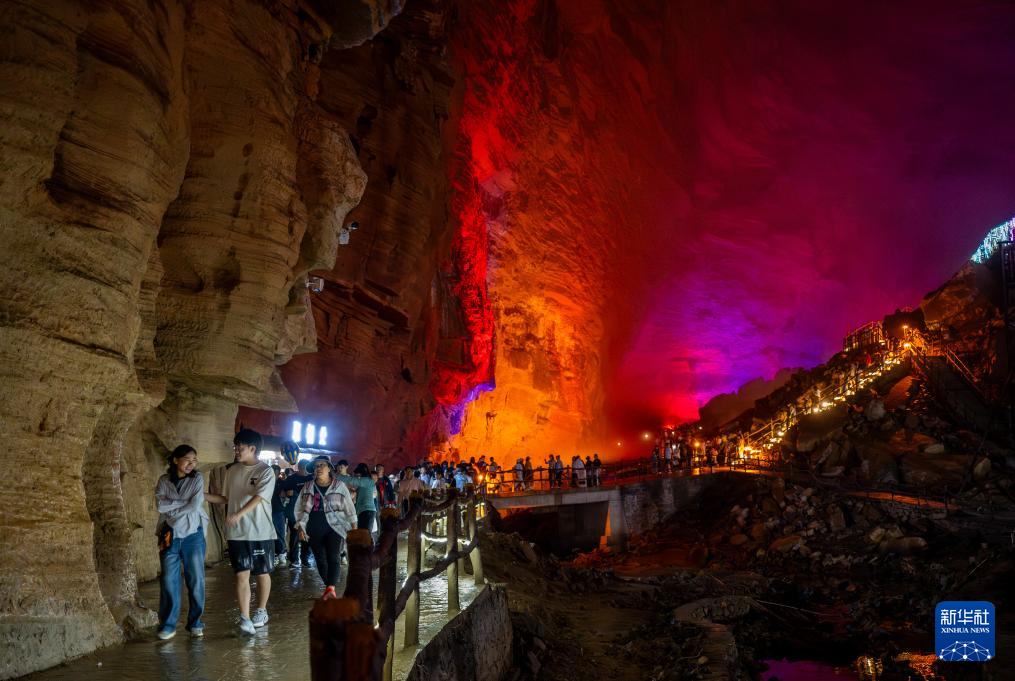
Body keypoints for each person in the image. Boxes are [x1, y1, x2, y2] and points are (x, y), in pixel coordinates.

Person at [154, 445, 224, 640]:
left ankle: (195, 623)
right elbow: (160, 506)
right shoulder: (164, 480)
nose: (192, 464)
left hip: (193, 535)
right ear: (175, 460)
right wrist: (182, 504)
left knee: (196, 580)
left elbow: (194, 505)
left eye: (194, 460)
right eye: (187, 459)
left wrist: (173, 507)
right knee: (168, 580)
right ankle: (168, 625)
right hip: (170, 535)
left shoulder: (197, 478)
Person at [220, 428, 277, 636]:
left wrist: (238, 514)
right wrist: (202, 496)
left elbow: (259, 497)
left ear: (252, 449)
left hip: (260, 531)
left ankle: (261, 610)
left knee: (262, 572)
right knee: (241, 574)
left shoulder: (265, 471)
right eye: (236, 446)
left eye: (240, 447)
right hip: (237, 533)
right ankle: (244, 618)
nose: (236, 450)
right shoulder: (232, 471)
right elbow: (226, 498)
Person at [295, 456, 357, 599]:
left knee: (333, 556)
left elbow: (349, 507)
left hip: (335, 528)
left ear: (329, 468)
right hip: (313, 528)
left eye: (322, 465)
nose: (319, 468)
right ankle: (329, 588)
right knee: (320, 559)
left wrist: (354, 527)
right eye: (316, 466)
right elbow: (299, 508)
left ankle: (331, 588)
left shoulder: (339, 485)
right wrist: (300, 527)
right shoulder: (308, 487)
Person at [277, 459, 312, 567]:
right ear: (300, 467)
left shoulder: (311, 478)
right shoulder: (292, 479)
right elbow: (282, 493)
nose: (307, 470)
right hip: (294, 513)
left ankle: (305, 559)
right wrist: (288, 494)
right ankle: (294, 560)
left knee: (307, 536)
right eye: (305, 467)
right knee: (295, 537)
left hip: (309, 512)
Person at [337, 463, 378, 539]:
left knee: (365, 536)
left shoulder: (367, 480)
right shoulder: (364, 483)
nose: (357, 477)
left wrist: (337, 476)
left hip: (367, 511)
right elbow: (354, 489)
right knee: (362, 535)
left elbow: (351, 480)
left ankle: (369, 550)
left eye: (358, 475)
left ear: (362, 473)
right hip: (363, 511)